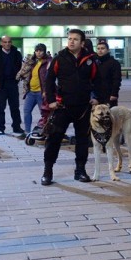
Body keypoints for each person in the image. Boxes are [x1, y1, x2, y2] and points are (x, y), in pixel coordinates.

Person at [41, 29, 99, 185]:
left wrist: (97, 98)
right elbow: (49, 80)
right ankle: (48, 171)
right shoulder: (59, 58)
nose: (71, 41)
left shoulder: (90, 60)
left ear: (82, 43)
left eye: (75, 39)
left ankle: (80, 171)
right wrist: (51, 100)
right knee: (54, 139)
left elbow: (98, 80)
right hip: (62, 106)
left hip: (83, 107)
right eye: (70, 38)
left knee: (82, 141)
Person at [0, 35, 24, 135]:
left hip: (13, 84)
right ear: (1, 43)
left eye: (9, 42)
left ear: (11, 42)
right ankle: (1, 127)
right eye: (5, 42)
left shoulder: (16, 54)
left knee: (15, 107)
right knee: (0, 107)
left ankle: (16, 127)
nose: (7, 44)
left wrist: (19, 78)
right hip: (1, 85)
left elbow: (21, 67)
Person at [17, 43, 51, 134]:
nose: (38, 53)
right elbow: (25, 73)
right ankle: (27, 132)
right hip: (31, 92)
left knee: (44, 114)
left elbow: (49, 78)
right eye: (37, 51)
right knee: (26, 111)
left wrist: (46, 91)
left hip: (41, 92)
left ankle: (45, 131)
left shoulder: (48, 62)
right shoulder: (32, 62)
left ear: (44, 51)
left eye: (41, 51)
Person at [94, 40, 122, 107]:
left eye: (102, 48)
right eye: (98, 49)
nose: (100, 50)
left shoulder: (114, 63)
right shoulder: (94, 62)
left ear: (108, 50)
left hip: (109, 95)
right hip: (97, 95)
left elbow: (117, 79)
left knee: (110, 115)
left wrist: (114, 93)